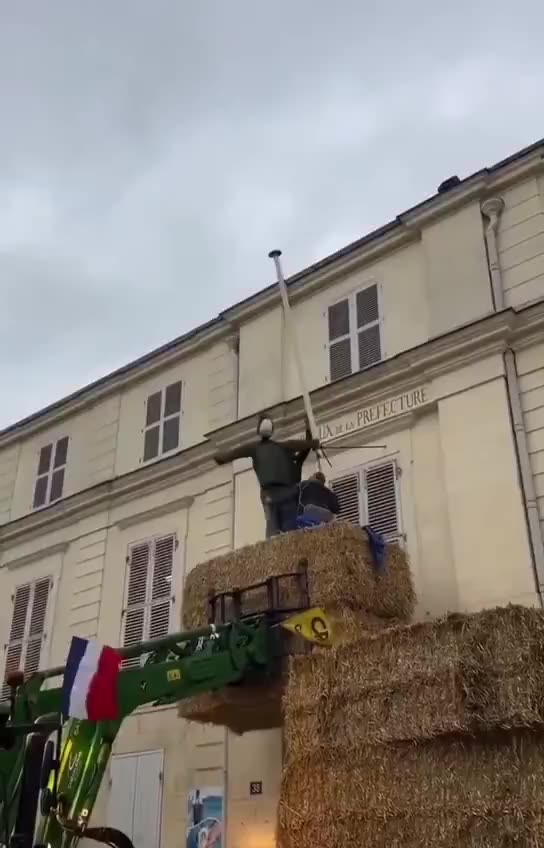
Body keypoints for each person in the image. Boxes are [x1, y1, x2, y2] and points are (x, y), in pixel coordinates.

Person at [213, 415, 319, 538]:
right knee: (290, 530)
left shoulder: (257, 448)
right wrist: (311, 440)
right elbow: (300, 447)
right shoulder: (284, 449)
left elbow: (234, 453)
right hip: (288, 494)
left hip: (271, 495)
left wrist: (221, 458)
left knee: (273, 529)